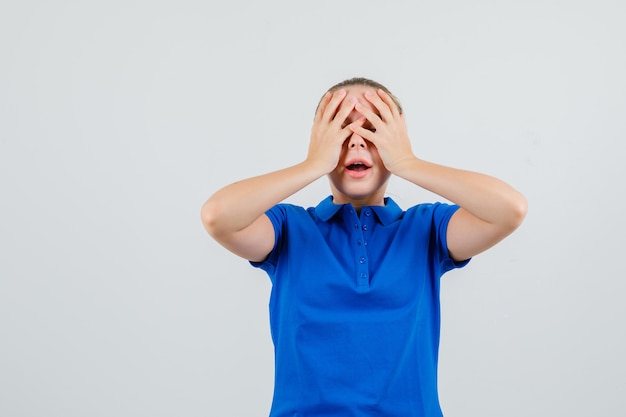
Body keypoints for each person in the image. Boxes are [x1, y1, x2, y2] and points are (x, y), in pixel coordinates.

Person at [201, 77, 527, 417]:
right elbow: (218, 217)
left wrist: (407, 162)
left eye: (373, 130)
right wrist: (312, 165)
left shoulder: (427, 228)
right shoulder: (288, 229)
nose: (357, 143)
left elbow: (509, 210)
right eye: (341, 131)